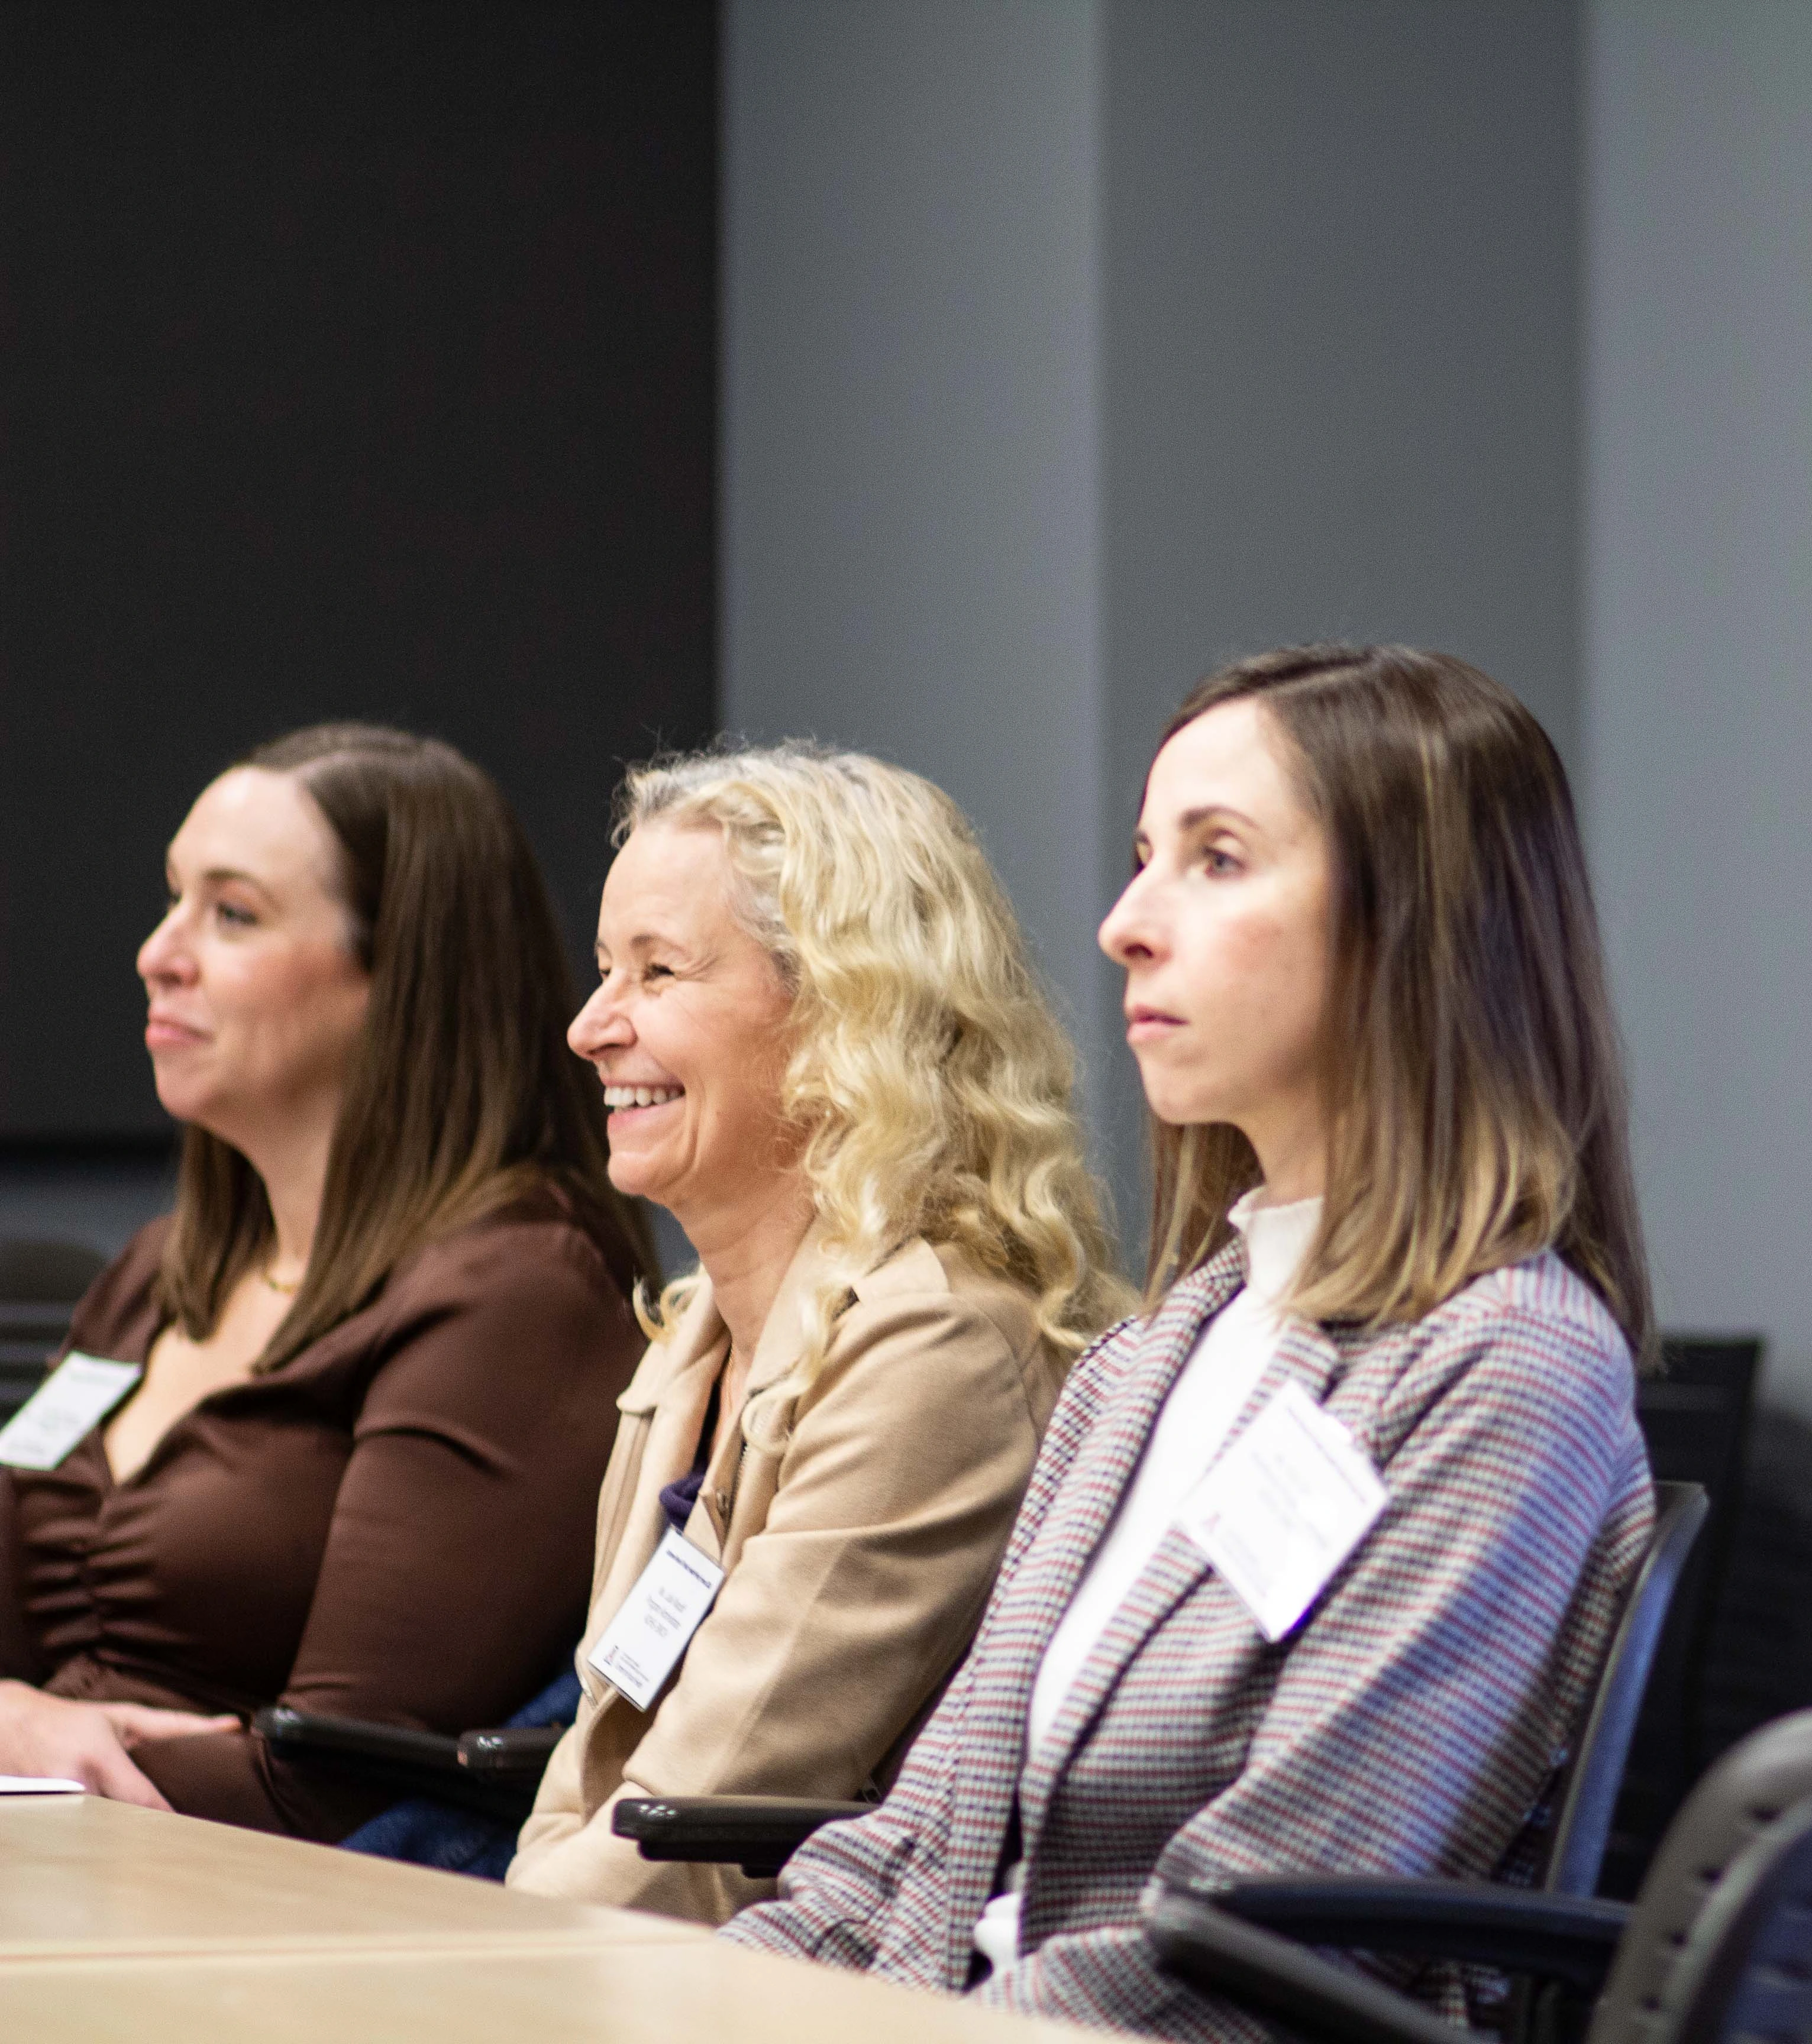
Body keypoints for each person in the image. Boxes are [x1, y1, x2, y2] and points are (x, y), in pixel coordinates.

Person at [718, 645, 1658, 2041]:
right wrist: (697, 1990)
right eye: (1145, 855)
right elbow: (926, 1831)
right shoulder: (1152, 1355)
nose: (1124, 924)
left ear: (1420, 925)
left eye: (1218, 860)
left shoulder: (1508, 1370)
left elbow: (1270, 1929)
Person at [508, 743, 1127, 1923]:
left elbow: (702, 1826)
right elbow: (594, 1773)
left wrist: (478, 1972)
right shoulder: (690, 1338)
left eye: (659, 972)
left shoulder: (932, 1345)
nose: (591, 1027)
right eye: (603, 970)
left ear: (849, 1009)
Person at [0, 724, 653, 1836]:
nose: (161, 951)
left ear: (398, 979)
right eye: (172, 900)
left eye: (234, 913)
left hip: (257, 1924)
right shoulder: (165, 1270)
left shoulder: (518, 1292)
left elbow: (329, 1785)